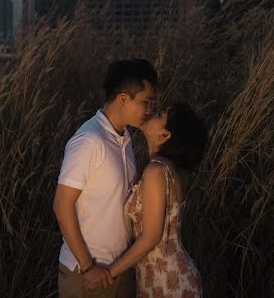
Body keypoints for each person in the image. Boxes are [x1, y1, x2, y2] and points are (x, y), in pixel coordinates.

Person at [53, 59, 159, 297]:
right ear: (123, 99)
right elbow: (62, 204)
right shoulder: (90, 140)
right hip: (86, 273)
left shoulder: (124, 139)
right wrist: (89, 266)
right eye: (146, 102)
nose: (150, 110)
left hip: (118, 269)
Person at [97, 102, 208, 298]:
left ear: (164, 135)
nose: (152, 113)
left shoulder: (156, 171)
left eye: (159, 115)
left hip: (167, 279)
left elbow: (151, 237)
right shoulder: (171, 169)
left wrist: (109, 272)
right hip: (164, 275)